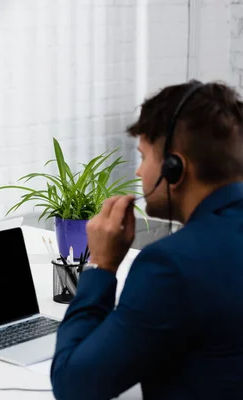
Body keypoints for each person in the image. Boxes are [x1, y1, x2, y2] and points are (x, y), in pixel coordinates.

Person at [51, 80, 243, 399]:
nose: (139, 173)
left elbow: (74, 386)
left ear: (174, 167)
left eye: (143, 157)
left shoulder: (171, 265)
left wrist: (101, 265)